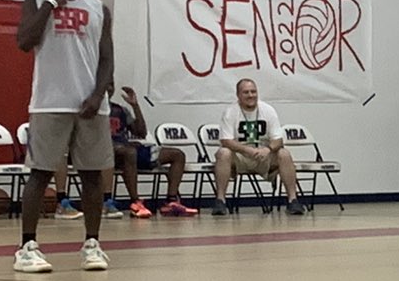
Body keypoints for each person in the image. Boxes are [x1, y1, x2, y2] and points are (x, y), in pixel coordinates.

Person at [14, 0, 114, 274]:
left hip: (91, 106)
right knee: (40, 173)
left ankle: (92, 244)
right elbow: (24, 41)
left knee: (92, 176)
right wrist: (51, 4)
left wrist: (97, 95)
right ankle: (27, 247)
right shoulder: (36, 0)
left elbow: (107, 58)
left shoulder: (99, 8)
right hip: (49, 103)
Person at [212, 78, 306, 215]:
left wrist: (267, 150)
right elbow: (226, 140)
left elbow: (278, 140)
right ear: (238, 95)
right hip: (240, 156)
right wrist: (246, 150)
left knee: (284, 154)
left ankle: (293, 200)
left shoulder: (268, 110)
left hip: (263, 155)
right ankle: (220, 201)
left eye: (253, 91)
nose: (251, 95)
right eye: (246, 92)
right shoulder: (230, 112)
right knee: (223, 153)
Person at [107, 87, 194, 217]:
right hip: (109, 154)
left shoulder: (120, 110)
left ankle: (171, 201)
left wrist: (135, 106)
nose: (109, 88)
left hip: (128, 149)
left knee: (177, 155)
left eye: (111, 85)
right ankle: (135, 202)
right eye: (106, 84)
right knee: (129, 153)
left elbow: (141, 132)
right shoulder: (91, 110)